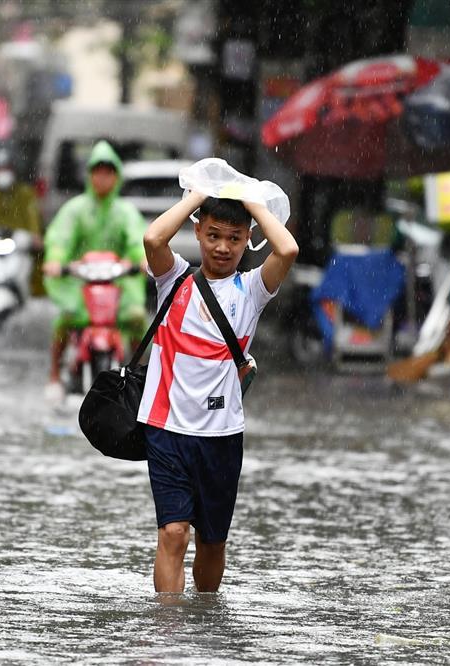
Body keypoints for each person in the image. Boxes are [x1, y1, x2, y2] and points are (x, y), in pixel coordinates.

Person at [139, 189, 298, 593]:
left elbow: (288, 249)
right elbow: (154, 239)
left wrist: (253, 203)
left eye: (234, 237)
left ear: (248, 239)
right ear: (197, 233)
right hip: (166, 428)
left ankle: (207, 621)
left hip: (222, 435)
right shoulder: (174, 278)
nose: (223, 247)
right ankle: (168, 631)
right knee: (173, 533)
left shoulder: (253, 290)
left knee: (212, 543)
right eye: (213, 236)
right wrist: (197, 196)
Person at [42, 140, 147, 398]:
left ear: (117, 176)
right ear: (89, 175)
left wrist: (140, 260)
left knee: (137, 318)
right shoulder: (75, 209)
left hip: (118, 284)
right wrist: (57, 261)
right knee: (65, 318)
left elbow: (138, 240)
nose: (102, 178)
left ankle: (142, 375)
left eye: (108, 172)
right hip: (81, 283)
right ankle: (54, 374)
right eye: (97, 172)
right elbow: (60, 239)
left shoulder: (126, 212)